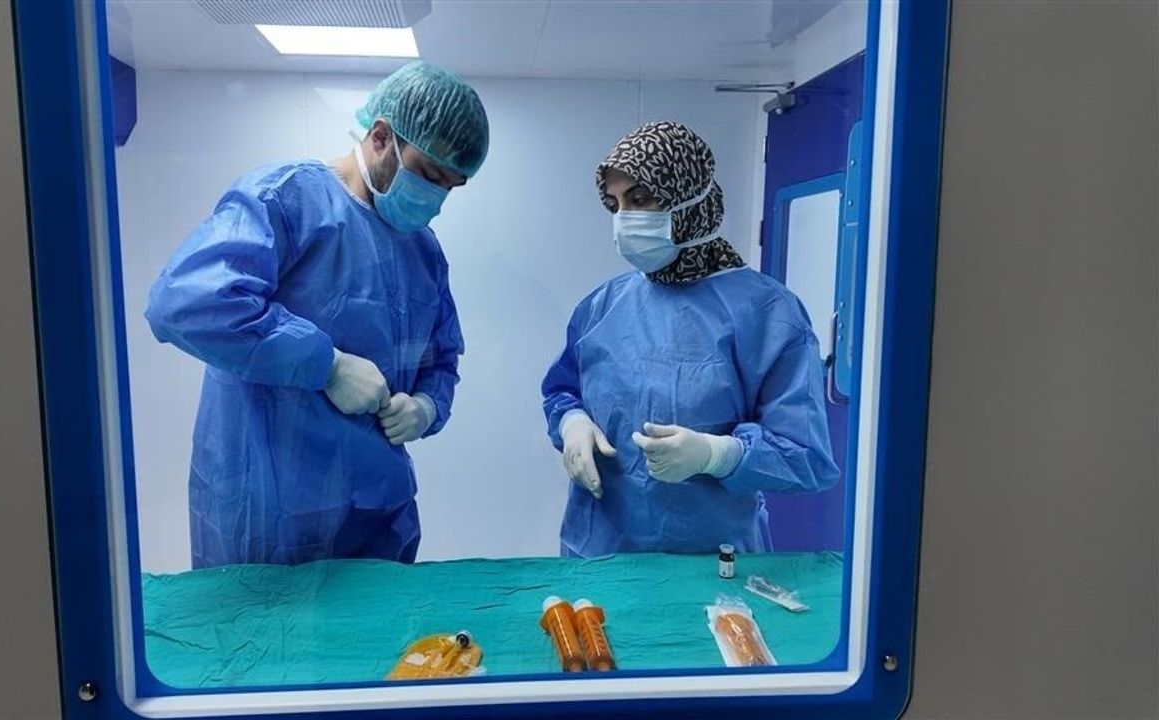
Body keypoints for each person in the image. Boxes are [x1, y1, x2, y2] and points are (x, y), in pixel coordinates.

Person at [145, 62, 489, 568]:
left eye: (450, 186)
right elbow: (185, 303)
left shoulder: (423, 252)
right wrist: (326, 364)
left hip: (378, 515)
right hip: (268, 514)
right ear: (381, 137)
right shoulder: (286, 199)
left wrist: (426, 407)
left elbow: (441, 358)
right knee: (261, 620)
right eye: (429, 175)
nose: (435, 199)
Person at [541, 121, 839, 558]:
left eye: (640, 199)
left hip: (711, 562)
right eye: (615, 204)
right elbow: (562, 391)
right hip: (600, 552)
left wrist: (717, 455)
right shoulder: (602, 305)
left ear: (688, 196)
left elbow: (806, 455)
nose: (624, 219)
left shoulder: (768, 314)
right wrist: (572, 424)